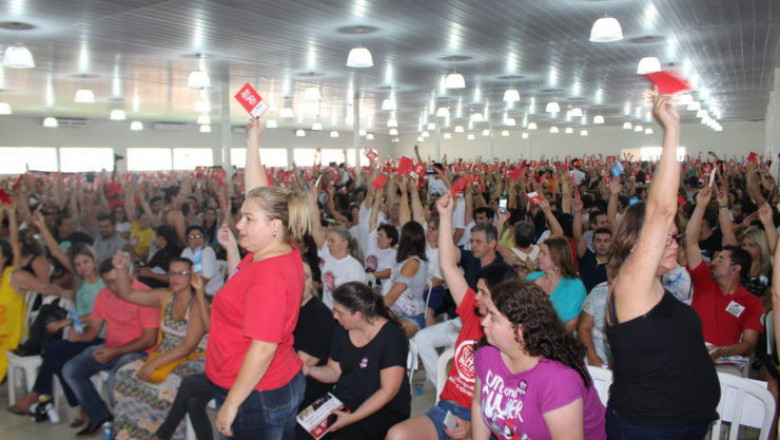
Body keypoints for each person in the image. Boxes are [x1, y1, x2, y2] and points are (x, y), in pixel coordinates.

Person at [606, 93, 719, 439]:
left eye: (676, 238)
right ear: (639, 243)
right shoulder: (630, 287)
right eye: (666, 238)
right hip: (649, 428)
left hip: (678, 423)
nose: (675, 244)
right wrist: (671, 130)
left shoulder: (655, 287)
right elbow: (660, 210)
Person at [206, 118, 311, 440]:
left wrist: (231, 405)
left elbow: (263, 348)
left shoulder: (268, 276)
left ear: (275, 225)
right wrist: (254, 140)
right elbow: (258, 192)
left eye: (248, 219)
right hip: (276, 380)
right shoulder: (277, 247)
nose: (240, 224)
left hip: (256, 393)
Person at [388, 193, 518, 440]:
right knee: (397, 434)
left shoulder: (515, 337)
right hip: (448, 407)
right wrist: (445, 216)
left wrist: (475, 427)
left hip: (488, 418)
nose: (475, 296)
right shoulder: (472, 310)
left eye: (482, 292)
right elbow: (447, 266)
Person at [471, 279, 606, 439]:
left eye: (493, 317)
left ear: (520, 331)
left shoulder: (558, 380)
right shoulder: (488, 353)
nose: (484, 322)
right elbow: (479, 403)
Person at [111, 252, 208, 440]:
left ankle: (164, 435)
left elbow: (189, 346)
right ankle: (132, 434)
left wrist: (153, 364)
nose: (175, 278)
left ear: (192, 277)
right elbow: (127, 294)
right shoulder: (165, 296)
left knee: (162, 389)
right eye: (172, 273)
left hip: (191, 359)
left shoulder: (197, 304)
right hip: (164, 354)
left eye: (181, 274)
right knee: (124, 375)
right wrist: (120, 268)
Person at [7, 242, 105, 424]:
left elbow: (99, 315)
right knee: (58, 362)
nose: (82, 267)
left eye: (86, 262)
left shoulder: (103, 285)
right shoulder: (82, 284)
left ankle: (36, 393)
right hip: (85, 335)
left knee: (52, 349)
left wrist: (67, 324)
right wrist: (75, 329)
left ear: (94, 261)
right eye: (78, 265)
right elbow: (78, 312)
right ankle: (85, 407)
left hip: (101, 338)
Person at [62, 259, 159, 437]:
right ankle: (99, 415)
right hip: (111, 347)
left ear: (127, 276)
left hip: (139, 352)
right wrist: (81, 336)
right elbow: (93, 331)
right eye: (109, 282)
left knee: (115, 378)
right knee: (71, 369)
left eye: (117, 280)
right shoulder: (103, 294)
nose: (114, 286)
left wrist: (114, 352)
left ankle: (125, 428)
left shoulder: (144, 294)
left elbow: (149, 340)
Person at [303, 282, 410, 440]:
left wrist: (351, 418)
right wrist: (309, 370)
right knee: (297, 431)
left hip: (382, 410)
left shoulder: (391, 336)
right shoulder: (342, 328)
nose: (334, 316)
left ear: (359, 315)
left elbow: (388, 391)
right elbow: (334, 372)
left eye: (339, 312)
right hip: (344, 401)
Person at [685, 187, 763, 376]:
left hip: (726, 366)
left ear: (736, 269)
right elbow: (690, 242)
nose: (713, 262)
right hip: (690, 358)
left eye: (721, 260)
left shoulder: (751, 302)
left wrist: (721, 351)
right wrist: (700, 207)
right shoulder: (704, 280)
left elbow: (749, 343)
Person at [0, 206, 69, 382]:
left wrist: (68, 294)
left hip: (5, 337)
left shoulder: (14, 276)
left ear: (4, 258)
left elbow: (46, 288)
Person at [525, 238, 586, 332]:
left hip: (557, 339)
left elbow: (570, 324)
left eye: (544, 253)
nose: (538, 256)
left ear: (557, 258)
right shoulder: (531, 278)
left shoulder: (575, 286)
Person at [384, 221, 428, 337]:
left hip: (411, 317)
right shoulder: (405, 261)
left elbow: (394, 294)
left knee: (384, 335)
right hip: (394, 313)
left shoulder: (413, 263)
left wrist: (374, 312)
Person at [180, 225, 224, 296]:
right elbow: (181, 272)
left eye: (198, 236)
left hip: (210, 293)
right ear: (187, 240)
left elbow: (205, 279)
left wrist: (183, 288)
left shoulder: (208, 252)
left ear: (204, 238)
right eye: (192, 237)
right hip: (192, 289)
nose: (196, 240)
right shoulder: (186, 251)